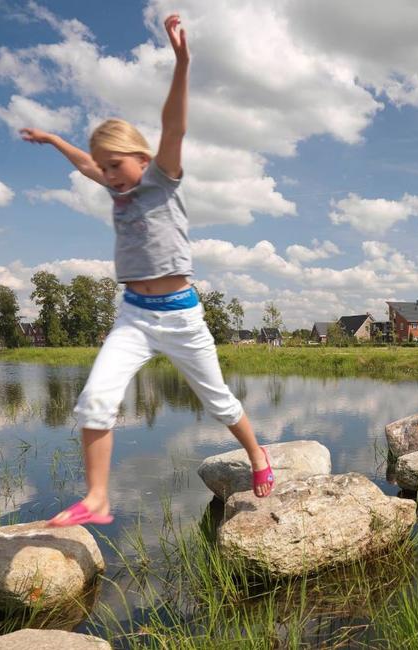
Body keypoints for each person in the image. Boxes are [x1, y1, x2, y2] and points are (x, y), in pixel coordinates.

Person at [21, 14, 273, 527]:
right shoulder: (116, 185)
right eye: (103, 168)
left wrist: (181, 63)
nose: (107, 176)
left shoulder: (162, 177)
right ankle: (97, 498)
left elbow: (174, 125)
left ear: (140, 156)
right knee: (94, 401)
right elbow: (85, 165)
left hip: (181, 316)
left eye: (115, 165)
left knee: (221, 402)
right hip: (134, 315)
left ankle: (257, 456)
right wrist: (52, 140)